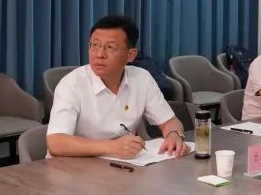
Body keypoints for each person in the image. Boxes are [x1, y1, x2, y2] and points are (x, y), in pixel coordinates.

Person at [46, 15, 186, 159]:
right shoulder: (71, 84)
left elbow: (170, 122)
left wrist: (174, 135)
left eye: (110, 47)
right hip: (71, 166)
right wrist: (111, 147)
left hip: (120, 164)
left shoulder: (142, 78)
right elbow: (56, 143)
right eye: (95, 45)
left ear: (131, 55)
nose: (99, 54)